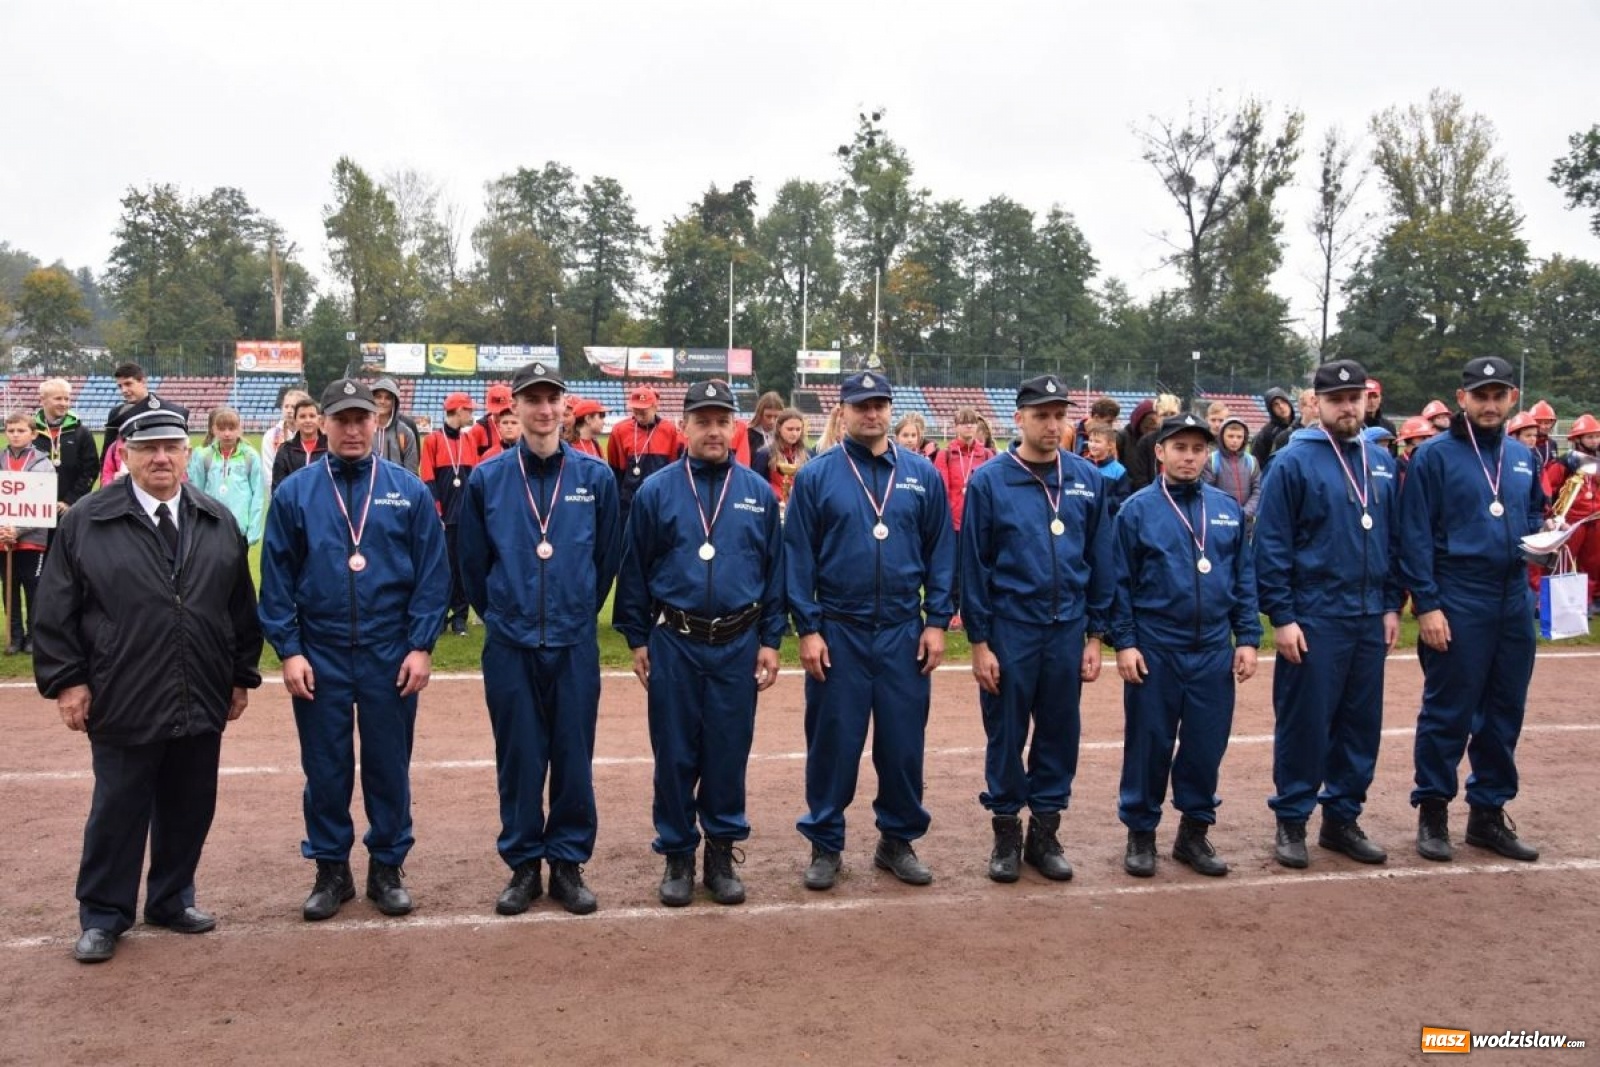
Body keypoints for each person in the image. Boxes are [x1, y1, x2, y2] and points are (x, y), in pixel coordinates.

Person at [33, 407, 263, 963]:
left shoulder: (215, 518)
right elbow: (55, 607)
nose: (161, 458)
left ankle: (170, 897)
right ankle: (104, 913)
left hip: (201, 689)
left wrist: (239, 675)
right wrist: (68, 681)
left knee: (190, 805)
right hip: (122, 691)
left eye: (171, 447)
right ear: (127, 455)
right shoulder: (87, 520)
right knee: (118, 808)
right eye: (148, 448)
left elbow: (239, 609)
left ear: (188, 454)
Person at [259, 379, 450, 922]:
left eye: (362, 418)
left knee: (389, 765)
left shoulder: (406, 490)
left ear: (377, 422)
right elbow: (276, 579)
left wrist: (421, 645)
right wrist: (289, 650)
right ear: (322, 423)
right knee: (326, 767)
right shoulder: (297, 491)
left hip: (390, 652)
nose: (352, 429)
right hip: (319, 651)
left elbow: (433, 575)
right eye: (341, 419)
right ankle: (331, 869)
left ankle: (387, 866)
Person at [458, 360, 622, 916]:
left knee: (573, 757)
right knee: (520, 758)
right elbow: (473, 563)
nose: (543, 409)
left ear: (566, 407)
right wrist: (504, 613)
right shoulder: (487, 478)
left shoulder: (595, 477)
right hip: (510, 642)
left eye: (552, 399)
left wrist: (577, 607)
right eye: (532, 400)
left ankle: (569, 864)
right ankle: (524, 865)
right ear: (515, 410)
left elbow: (606, 557)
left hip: (574, 642)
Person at [613, 380, 785, 907]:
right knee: (675, 753)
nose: (713, 430)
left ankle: (721, 852)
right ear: (683, 427)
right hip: (675, 642)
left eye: (722, 420)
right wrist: (637, 637)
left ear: (735, 427)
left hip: (737, 642)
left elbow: (775, 572)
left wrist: (772, 639)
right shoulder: (657, 490)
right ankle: (678, 854)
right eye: (702, 421)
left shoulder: (758, 492)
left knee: (727, 752)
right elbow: (634, 569)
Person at [785, 371, 955, 890]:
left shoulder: (922, 474)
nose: (872, 413)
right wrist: (808, 629)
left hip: (903, 631)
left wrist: (937, 622)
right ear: (844, 411)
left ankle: (897, 841)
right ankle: (826, 843)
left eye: (880, 403)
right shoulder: (817, 476)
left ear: (890, 408)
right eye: (861, 405)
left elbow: (940, 553)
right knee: (833, 743)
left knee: (903, 745)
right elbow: (797, 558)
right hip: (840, 630)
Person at [960, 375, 1113, 884]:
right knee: (1005, 734)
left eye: (1059, 415)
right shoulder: (991, 480)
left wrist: (1095, 635)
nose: (1052, 425)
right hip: (1011, 628)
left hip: (1067, 628)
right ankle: (1006, 834)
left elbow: (1100, 560)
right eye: (1041, 415)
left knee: (1058, 732)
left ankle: (1044, 834)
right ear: (1019, 418)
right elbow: (974, 566)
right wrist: (979, 642)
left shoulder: (1088, 480)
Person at [1254, 360, 1402, 870]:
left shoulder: (1380, 460)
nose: (1347, 407)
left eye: (1355, 398)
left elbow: (1392, 537)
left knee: (1361, 724)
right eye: (1336, 399)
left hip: (1367, 613)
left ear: (1366, 400)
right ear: (1316, 403)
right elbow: (1270, 544)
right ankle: (1292, 820)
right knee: (1306, 723)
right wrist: (1284, 615)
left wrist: (1389, 603)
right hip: (1315, 613)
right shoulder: (1292, 462)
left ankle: (1342, 818)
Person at [1400, 356, 1545, 864]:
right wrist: (1429, 604)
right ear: (1461, 399)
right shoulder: (1434, 456)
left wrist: (1544, 543)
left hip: (1511, 598)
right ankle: (1433, 812)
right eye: (1479, 395)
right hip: (1457, 595)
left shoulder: (1522, 457)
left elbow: (1532, 514)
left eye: (1498, 395)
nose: (1489, 404)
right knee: (1448, 711)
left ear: (1512, 400)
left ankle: (1487, 814)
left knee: (1505, 711)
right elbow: (1414, 534)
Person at [1113, 414, 1260, 877]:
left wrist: (1248, 638)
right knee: (1149, 744)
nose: (1190, 456)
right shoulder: (1136, 510)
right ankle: (1141, 833)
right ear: (1160, 452)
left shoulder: (1226, 509)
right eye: (1180, 448)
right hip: (1157, 646)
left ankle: (1194, 833)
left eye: (1198, 448)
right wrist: (1125, 642)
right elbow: (1119, 584)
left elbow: (1243, 577)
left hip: (1213, 647)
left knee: (1204, 745)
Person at [419, 392, 481, 637]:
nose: (471, 414)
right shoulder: (433, 440)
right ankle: (439, 614)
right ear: (457, 411)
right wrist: (437, 512)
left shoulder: (468, 441)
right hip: (442, 517)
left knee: (462, 566)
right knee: (440, 568)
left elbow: (474, 478)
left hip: (464, 516)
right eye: (468, 410)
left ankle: (460, 617)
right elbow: (427, 478)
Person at [1, 411, 54, 653]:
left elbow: (43, 502)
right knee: (8, 588)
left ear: (33, 434)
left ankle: (34, 636)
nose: (15, 435)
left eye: (20, 430)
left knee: (33, 587)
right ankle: (14, 637)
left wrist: (18, 529)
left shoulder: (43, 464)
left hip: (32, 538)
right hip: (3, 539)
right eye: (11, 430)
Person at [1541, 412, 1600, 610]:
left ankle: (1587, 602)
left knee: (1592, 563)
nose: (1594, 440)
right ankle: (1560, 602)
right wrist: (1551, 515)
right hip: (1571, 520)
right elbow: (1548, 486)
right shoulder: (1566, 462)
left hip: (1595, 518)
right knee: (1563, 561)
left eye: (1597, 436)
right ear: (1578, 439)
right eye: (1590, 436)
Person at [606, 385, 682, 530]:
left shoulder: (670, 431)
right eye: (636, 410)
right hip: (629, 504)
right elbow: (616, 470)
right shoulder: (619, 430)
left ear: (655, 407)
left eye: (644, 411)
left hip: (661, 501)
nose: (639, 415)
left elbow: (675, 469)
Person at [187, 407, 266, 545]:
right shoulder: (203, 456)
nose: (227, 433)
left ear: (240, 429)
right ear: (213, 429)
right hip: (211, 527)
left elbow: (257, 495)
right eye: (222, 429)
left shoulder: (250, 456)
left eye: (231, 428)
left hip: (240, 529)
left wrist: (253, 531)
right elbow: (196, 493)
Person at [33, 378, 99, 522]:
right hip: (36, 507)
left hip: (71, 508)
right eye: (58, 398)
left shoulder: (81, 432)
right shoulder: (30, 431)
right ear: (42, 400)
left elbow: (90, 470)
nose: (64, 403)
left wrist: (71, 500)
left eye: (67, 399)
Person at [933, 407, 994, 535]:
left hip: (980, 522)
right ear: (956, 427)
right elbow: (942, 492)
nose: (969, 426)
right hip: (953, 524)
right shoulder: (945, 455)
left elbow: (993, 489)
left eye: (972, 422)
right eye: (964, 422)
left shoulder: (987, 454)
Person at [103, 362, 190, 441]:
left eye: (128, 384)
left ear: (143, 382)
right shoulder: (116, 413)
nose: (124, 390)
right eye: (120, 386)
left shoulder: (165, 410)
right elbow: (107, 452)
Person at [1203, 416, 1261, 534]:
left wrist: (1244, 513)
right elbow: (1207, 492)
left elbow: (1258, 490)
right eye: (1230, 436)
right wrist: (1227, 515)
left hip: (1246, 524)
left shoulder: (1252, 461)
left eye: (1239, 437)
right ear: (1222, 437)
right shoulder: (1212, 460)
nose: (1235, 440)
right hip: (1220, 522)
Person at [751, 407, 812, 517]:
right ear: (779, 428)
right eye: (790, 429)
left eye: (798, 429)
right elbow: (756, 486)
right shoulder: (764, 454)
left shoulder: (808, 455)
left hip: (801, 510)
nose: (794, 434)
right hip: (773, 510)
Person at [262, 387, 312, 493]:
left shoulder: (314, 435)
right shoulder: (271, 436)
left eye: (293, 407)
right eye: (286, 406)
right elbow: (268, 472)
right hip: (281, 494)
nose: (289, 410)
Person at [270, 398, 326, 491]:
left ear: (319, 420)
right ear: (295, 421)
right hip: (294, 504)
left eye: (312, 416)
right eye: (302, 416)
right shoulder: (285, 450)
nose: (308, 420)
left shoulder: (330, 447)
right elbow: (278, 486)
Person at [1127, 395, 1180, 490]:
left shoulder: (1186, 439)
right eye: (1164, 414)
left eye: (1172, 414)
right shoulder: (1146, 442)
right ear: (1157, 416)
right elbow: (1140, 478)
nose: (1168, 418)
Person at [369, 377, 421, 474]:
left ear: (394, 402)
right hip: (367, 487)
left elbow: (411, 473)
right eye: (378, 397)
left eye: (388, 398)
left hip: (396, 487)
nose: (382, 401)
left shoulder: (405, 432)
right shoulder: (362, 429)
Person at [1085, 426, 1132, 516]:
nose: (1092, 445)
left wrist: (1101, 503)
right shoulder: (1082, 466)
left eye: (1097, 441)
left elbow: (1123, 498)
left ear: (1109, 445)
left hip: (1107, 520)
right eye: (1090, 441)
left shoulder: (1118, 470)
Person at [1252, 388, 1296, 471]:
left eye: (1283, 402)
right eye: (1276, 404)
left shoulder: (1300, 426)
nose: (1281, 407)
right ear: (1271, 409)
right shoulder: (1266, 433)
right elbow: (1257, 464)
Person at [468, 383, 515, 458]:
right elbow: (468, 456)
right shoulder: (478, 429)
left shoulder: (520, 427)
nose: (499, 413)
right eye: (496, 411)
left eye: (503, 410)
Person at [746, 391, 786, 456]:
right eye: (768, 416)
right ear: (760, 414)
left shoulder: (785, 435)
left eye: (776, 416)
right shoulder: (748, 434)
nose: (772, 421)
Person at [1527, 399, 1559, 469]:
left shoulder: (1552, 444)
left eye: (1547, 423)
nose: (1543, 426)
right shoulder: (1525, 443)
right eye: (1539, 422)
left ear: (1552, 424)